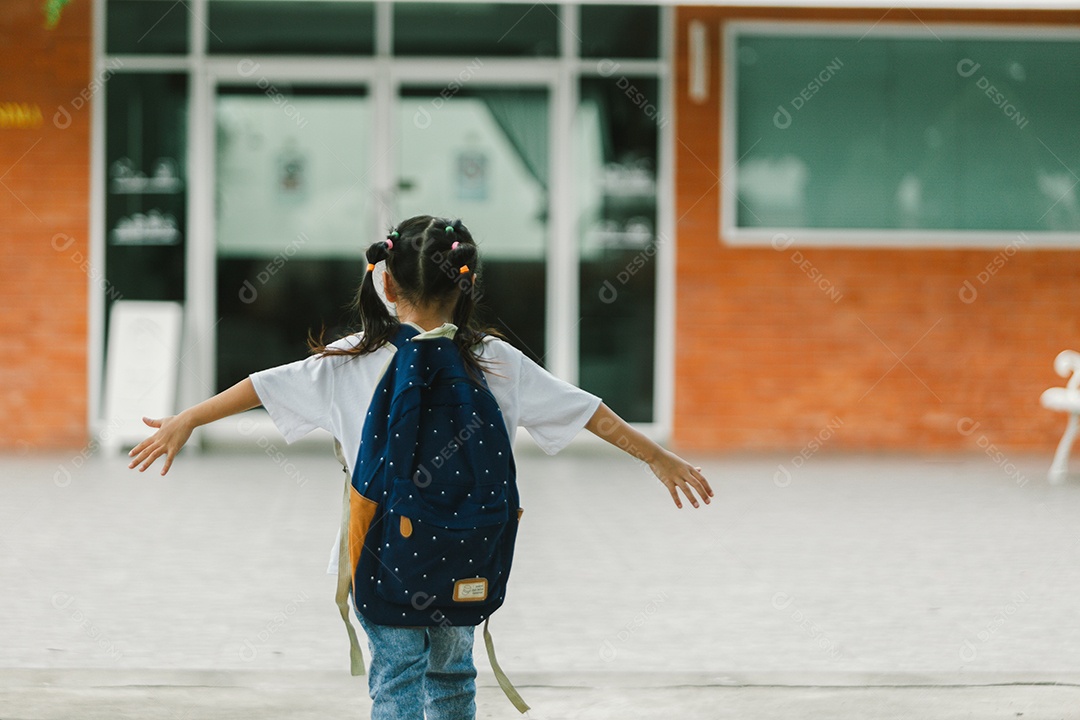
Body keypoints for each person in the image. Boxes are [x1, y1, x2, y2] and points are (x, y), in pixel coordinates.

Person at [128, 215, 713, 720]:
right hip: (465, 552)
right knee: (454, 672)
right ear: (468, 284)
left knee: (396, 675)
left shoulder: (350, 360)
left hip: (381, 549)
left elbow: (258, 387)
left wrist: (187, 420)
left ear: (385, 280)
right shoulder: (494, 359)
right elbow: (590, 413)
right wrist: (657, 458)